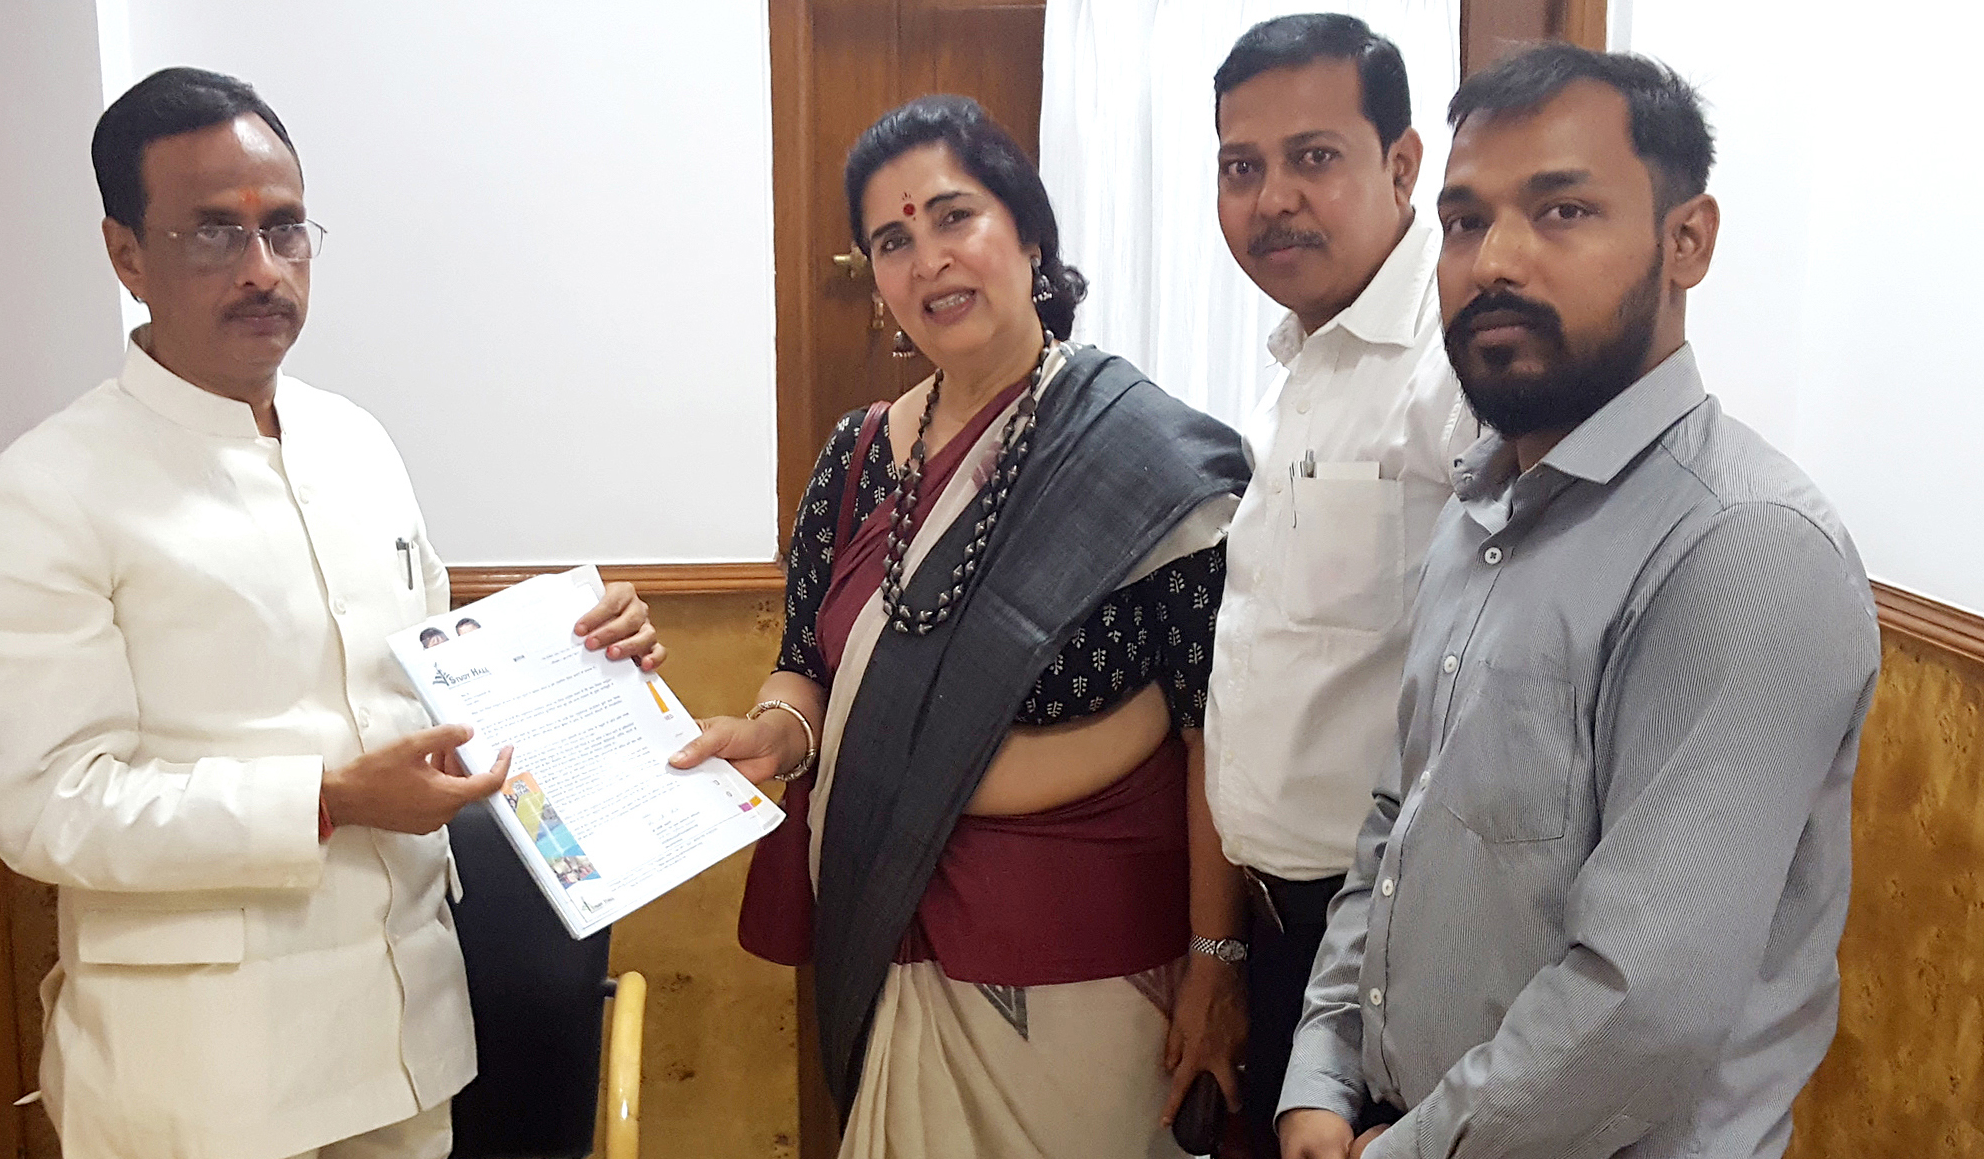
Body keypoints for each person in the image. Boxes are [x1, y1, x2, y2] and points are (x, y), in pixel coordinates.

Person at [0, 67, 663, 1159]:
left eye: (284, 228)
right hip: (207, 1082)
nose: (262, 270)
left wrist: (576, 657)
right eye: (212, 234)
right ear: (125, 254)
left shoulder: (355, 442)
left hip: (407, 1037)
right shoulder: (37, 498)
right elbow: (51, 806)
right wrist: (327, 800)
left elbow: (417, 670)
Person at [1276, 45, 1880, 1159]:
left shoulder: (1740, 546)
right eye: (1464, 222)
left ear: (1686, 241)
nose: (1494, 262)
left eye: (1562, 210)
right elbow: (1396, 823)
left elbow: (1638, 1012)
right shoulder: (1481, 507)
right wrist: (1322, 1073)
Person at [670, 95, 1251, 1158]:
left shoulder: (1148, 460)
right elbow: (806, 666)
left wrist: (1218, 960)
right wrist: (776, 733)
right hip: (890, 930)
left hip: (1094, 970)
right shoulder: (856, 459)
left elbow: (1216, 728)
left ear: (1028, 233)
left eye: (954, 216)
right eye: (891, 241)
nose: (928, 259)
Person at [1199, 16, 1474, 1154]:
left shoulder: (1456, 362)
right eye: (1241, 166)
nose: (1272, 199)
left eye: (1314, 157)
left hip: (1397, 950)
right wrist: (1220, 947)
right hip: (1280, 929)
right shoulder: (1296, 363)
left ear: (1402, 166)